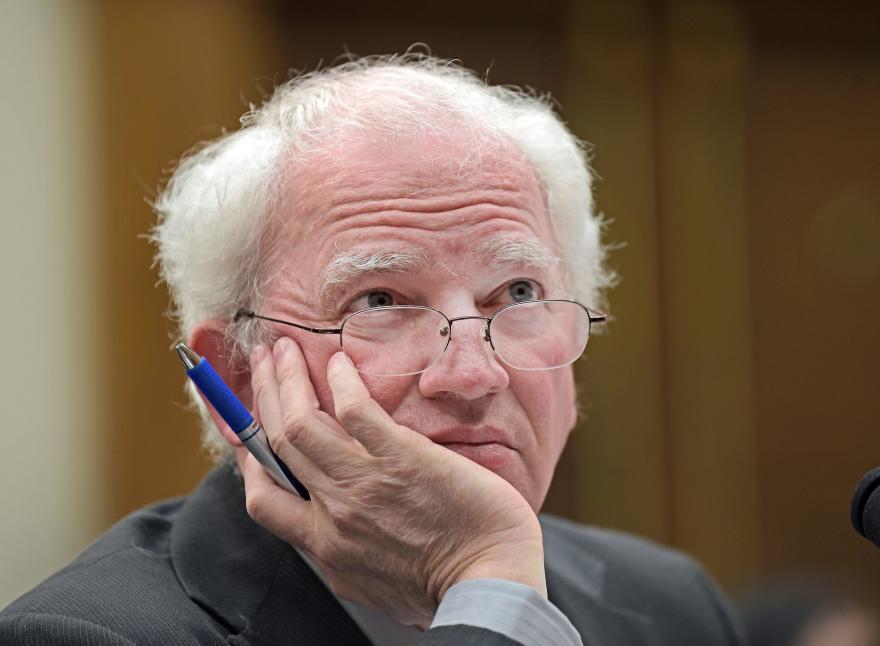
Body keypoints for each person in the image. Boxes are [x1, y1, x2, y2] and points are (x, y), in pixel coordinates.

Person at [0, 55, 744, 645]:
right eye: (381, 302)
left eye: (517, 293)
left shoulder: (671, 606)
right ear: (237, 376)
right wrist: (490, 591)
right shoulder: (85, 634)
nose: (474, 374)